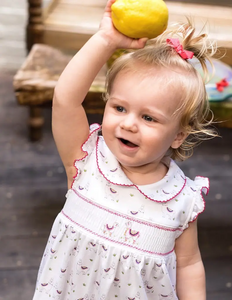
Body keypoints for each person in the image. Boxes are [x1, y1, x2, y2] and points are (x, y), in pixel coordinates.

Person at [32, 0, 217, 299]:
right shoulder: (88, 161)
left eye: (148, 118)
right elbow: (65, 99)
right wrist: (106, 39)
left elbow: (189, 263)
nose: (129, 124)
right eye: (119, 107)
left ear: (178, 136)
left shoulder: (183, 199)